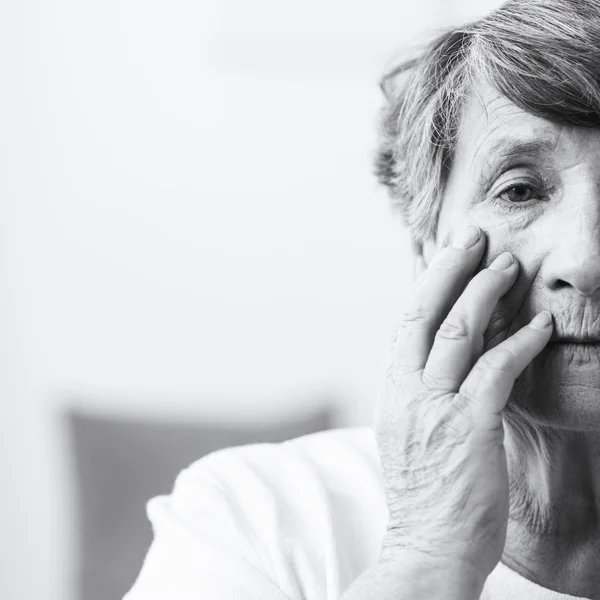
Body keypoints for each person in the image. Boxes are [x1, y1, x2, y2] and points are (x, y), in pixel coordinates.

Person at [123, 1, 600, 598]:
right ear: (427, 244)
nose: (585, 262)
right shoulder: (257, 521)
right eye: (520, 189)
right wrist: (426, 556)